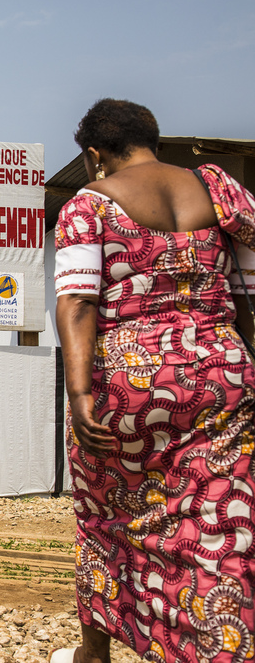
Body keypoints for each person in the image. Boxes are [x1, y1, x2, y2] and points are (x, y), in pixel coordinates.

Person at [52, 99, 255, 663]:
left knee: (108, 517)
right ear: (153, 139)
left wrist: (80, 393)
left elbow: (77, 302)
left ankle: (96, 653)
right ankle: (221, 646)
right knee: (218, 521)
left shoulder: (88, 205)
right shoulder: (218, 192)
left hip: (132, 380)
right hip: (223, 372)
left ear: (95, 154)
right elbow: (246, 292)